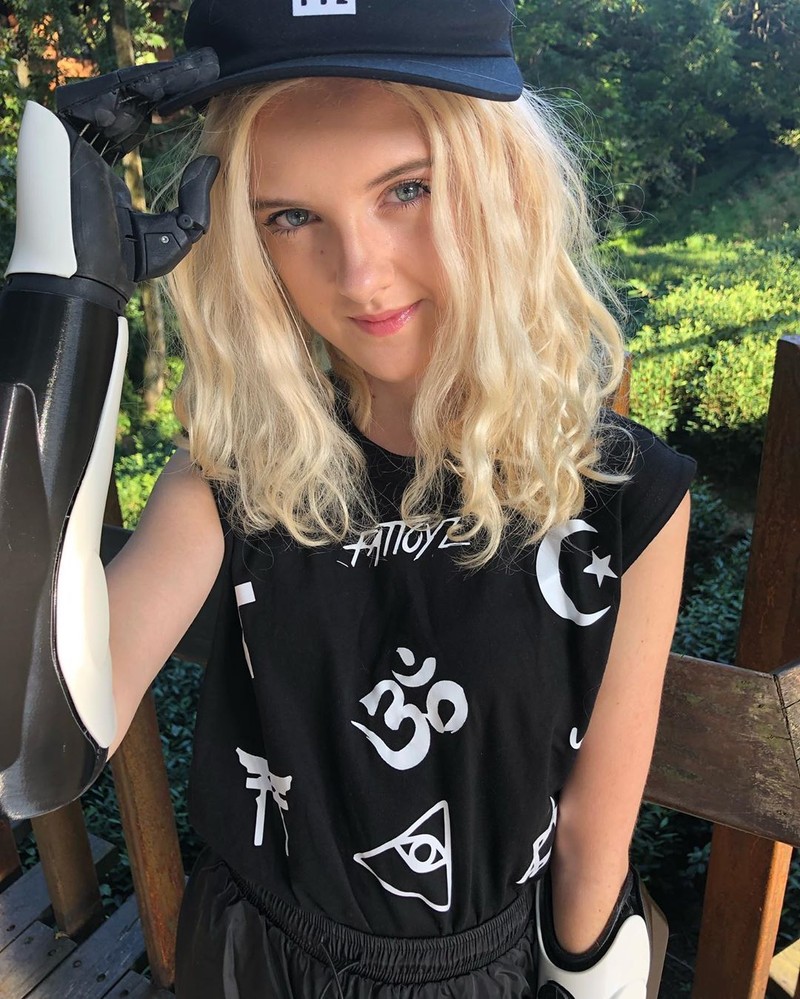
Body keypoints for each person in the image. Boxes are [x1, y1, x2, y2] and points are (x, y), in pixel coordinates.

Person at [1, 1, 695, 996]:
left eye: (406, 189)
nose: (361, 274)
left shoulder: (626, 496)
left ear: (500, 183)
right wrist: (62, 299)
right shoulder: (235, 476)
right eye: (291, 216)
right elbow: (33, 748)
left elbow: (592, 835)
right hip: (253, 964)